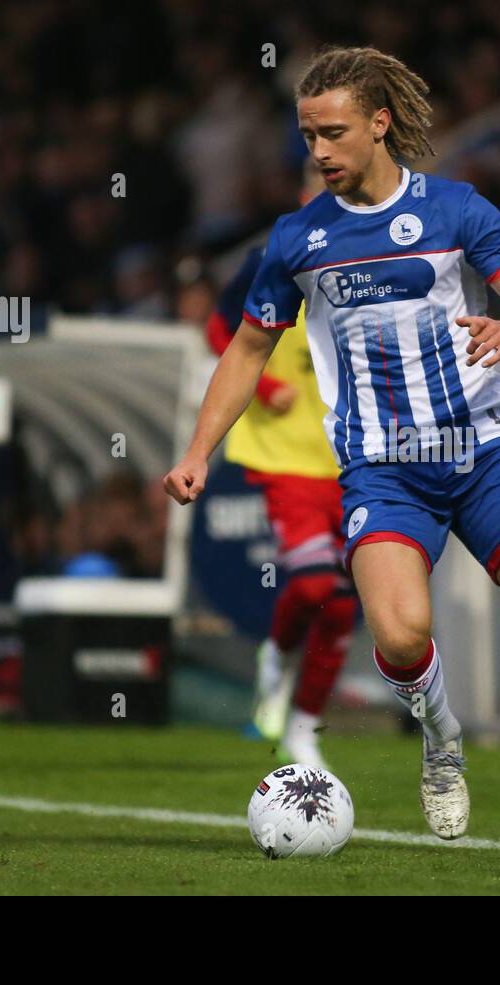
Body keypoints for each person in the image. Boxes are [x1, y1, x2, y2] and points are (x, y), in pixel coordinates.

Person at [165, 46, 500, 854]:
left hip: (485, 452)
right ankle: (442, 736)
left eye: (333, 133)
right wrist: (198, 451)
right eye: (307, 136)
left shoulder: (458, 211)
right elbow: (248, 350)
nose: (317, 152)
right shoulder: (296, 241)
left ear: (380, 123)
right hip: (383, 471)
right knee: (398, 635)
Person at [194, 159, 359, 770]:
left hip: (354, 456)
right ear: (305, 192)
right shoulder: (276, 252)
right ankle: (277, 655)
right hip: (285, 454)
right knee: (317, 585)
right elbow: (220, 329)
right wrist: (263, 390)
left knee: (343, 603)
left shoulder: (377, 258)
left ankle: (304, 726)